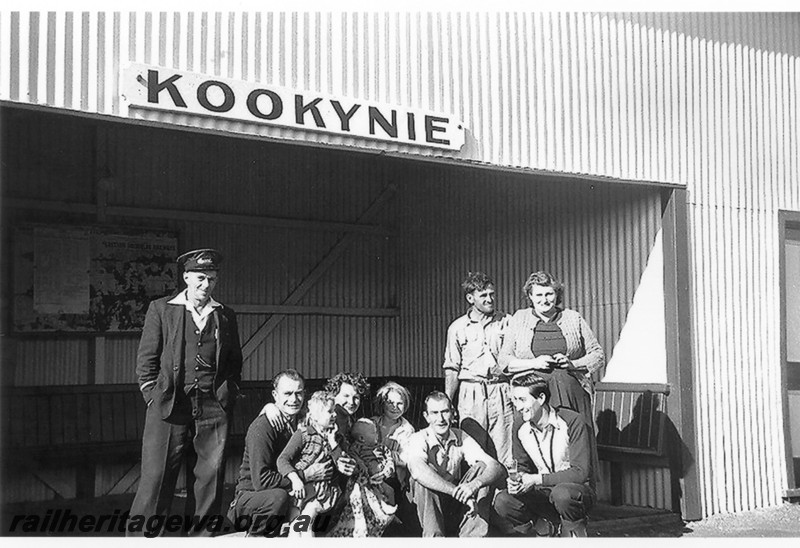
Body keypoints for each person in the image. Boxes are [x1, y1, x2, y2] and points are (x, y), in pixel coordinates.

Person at [129, 249, 242, 536]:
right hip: (169, 406)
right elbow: (147, 360)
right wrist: (152, 396)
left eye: (212, 279)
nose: (207, 285)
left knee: (209, 479)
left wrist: (228, 393)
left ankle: (201, 539)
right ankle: (142, 539)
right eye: (201, 278)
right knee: (156, 479)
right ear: (186, 277)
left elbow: (233, 362)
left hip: (213, 408)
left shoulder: (225, 315)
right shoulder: (162, 309)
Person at [228, 369, 333, 536]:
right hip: (252, 498)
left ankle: (298, 534)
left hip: (291, 492)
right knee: (278, 498)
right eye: (288, 393)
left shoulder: (302, 423)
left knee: (315, 498)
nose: (294, 399)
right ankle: (257, 536)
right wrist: (305, 475)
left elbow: (330, 412)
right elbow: (262, 481)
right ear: (275, 395)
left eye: (299, 393)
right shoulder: (263, 427)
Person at [497, 271, 604, 431]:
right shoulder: (519, 319)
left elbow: (597, 355)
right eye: (538, 295)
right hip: (533, 397)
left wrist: (572, 364)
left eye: (549, 294)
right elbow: (504, 361)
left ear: (557, 294)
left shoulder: (573, 318)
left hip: (571, 394)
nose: (544, 300)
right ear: (530, 296)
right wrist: (534, 363)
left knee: (575, 440)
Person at [493, 373, 597, 537]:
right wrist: (518, 480)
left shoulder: (572, 421)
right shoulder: (520, 426)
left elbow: (580, 472)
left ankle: (574, 530)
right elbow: (522, 466)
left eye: (522, 400)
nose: (518, 407)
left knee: (562, 494)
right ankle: (543, 527)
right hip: (544, 493)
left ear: (541, 398)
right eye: (514, 400)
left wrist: (536, 479)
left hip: (574, 493)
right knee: (503, 500)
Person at [404, 391, 504, 537]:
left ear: (452, 413)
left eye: (445, 412)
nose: (441, 419)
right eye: (434, 413)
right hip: (422, 509)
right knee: (425, 476)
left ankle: (473, 537)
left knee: (482, 469)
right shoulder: (418, 438)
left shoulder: (460, 435)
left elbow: (495, 466)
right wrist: (456, 492)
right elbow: (418, 471)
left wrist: (474, 485)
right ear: (426, 417)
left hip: (451, 506)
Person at [443, 272, 513, 464]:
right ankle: (475, 492)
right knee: (473, 450)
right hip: (470, 392)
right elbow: (452, 368)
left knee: (504, 451)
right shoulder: (457, 328)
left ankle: (503, 494)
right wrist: (447, 402)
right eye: (483, 296)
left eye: (492, 294)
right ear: (470, 298)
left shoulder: (507, 322)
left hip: (501, 391)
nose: (489, 299)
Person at [278, 391, 344, 538]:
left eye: (334, 411)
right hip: (301, 489)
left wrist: (333, 443)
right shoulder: (303, 434)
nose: (334, 415)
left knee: (306, 521)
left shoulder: (337, 438)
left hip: (321, 492)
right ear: (314, 416)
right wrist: (295, 480)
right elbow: (282, 460)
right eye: (329, 412)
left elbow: (341, 463)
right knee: (296, 525)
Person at [348, 418, 396, 504]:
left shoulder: (380, 447)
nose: (377, 435)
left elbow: (389, 458)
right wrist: (360, 463)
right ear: (362, 438)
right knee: (374, 497)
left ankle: (391, 513)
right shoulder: (356, 448)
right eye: (373, 433)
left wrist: (387, 470)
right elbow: (353, 456)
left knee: (390, 491)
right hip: (366, 480)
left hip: (380, 478)